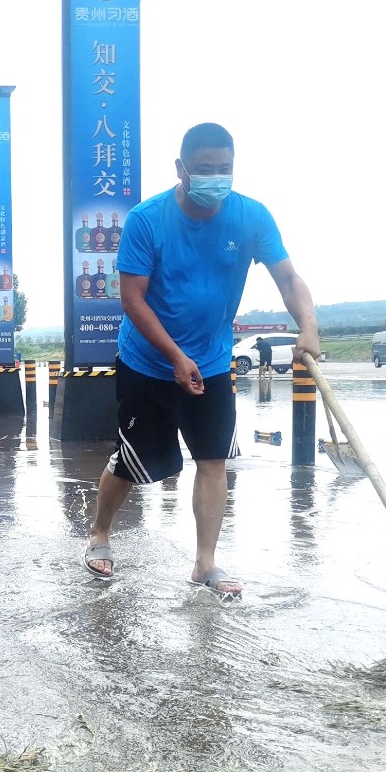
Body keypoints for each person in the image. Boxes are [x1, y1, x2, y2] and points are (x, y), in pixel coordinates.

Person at [83, 123, 319, 597]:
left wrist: (308, 326)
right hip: (147, 363)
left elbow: (289, 279)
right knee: (132, 463)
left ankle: (205, 563)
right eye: (205, 169)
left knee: (213, 461)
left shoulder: (251, 218)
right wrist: (173, 355)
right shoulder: (147, 220)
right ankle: (100, 534)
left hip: (211, 362)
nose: (216, 178)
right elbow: (132, 300)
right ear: (182, 169)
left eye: (224, 169)